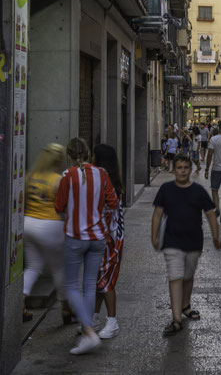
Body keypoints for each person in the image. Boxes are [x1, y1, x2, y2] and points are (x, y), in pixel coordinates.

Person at [55, 137, 118, 356]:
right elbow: (114, 202)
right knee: (90, 285)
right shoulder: (102, 174)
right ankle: (88, 327)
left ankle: (89, 332)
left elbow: (58, 205)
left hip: (75, 237)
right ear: (89, 153)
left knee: (72, 286)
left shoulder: (68, 176)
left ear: (69, 155)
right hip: (98, 237)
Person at [151, 154, 221, 336]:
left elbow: (211, 214)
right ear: (174, 169)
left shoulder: (198, 191)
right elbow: (158, 214)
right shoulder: (166, 189)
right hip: (172, 241)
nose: (182, 171)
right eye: (179, 167)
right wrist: (154, 235)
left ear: (190, 170)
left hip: (193, 242)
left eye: (186, 168)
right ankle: (176, 319)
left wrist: (215, 236)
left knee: (188, 277)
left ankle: (186, 306)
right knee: (175, 277)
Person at [23, 143, 71, 324]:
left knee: (34, 266)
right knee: (58, 268)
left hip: (28, 224)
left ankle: (21, 300)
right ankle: (66, 308)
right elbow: (64, 206)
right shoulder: (57, 180)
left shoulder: (31, 176)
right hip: (50, 225)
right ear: (58, 160)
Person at [93, 144, 125, 340]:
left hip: (111, 238)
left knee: (106, 280)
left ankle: (112, 321)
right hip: (104, 236)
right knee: (99, 279)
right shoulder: (109, 180)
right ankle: (94, 318)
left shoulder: (105, 182)